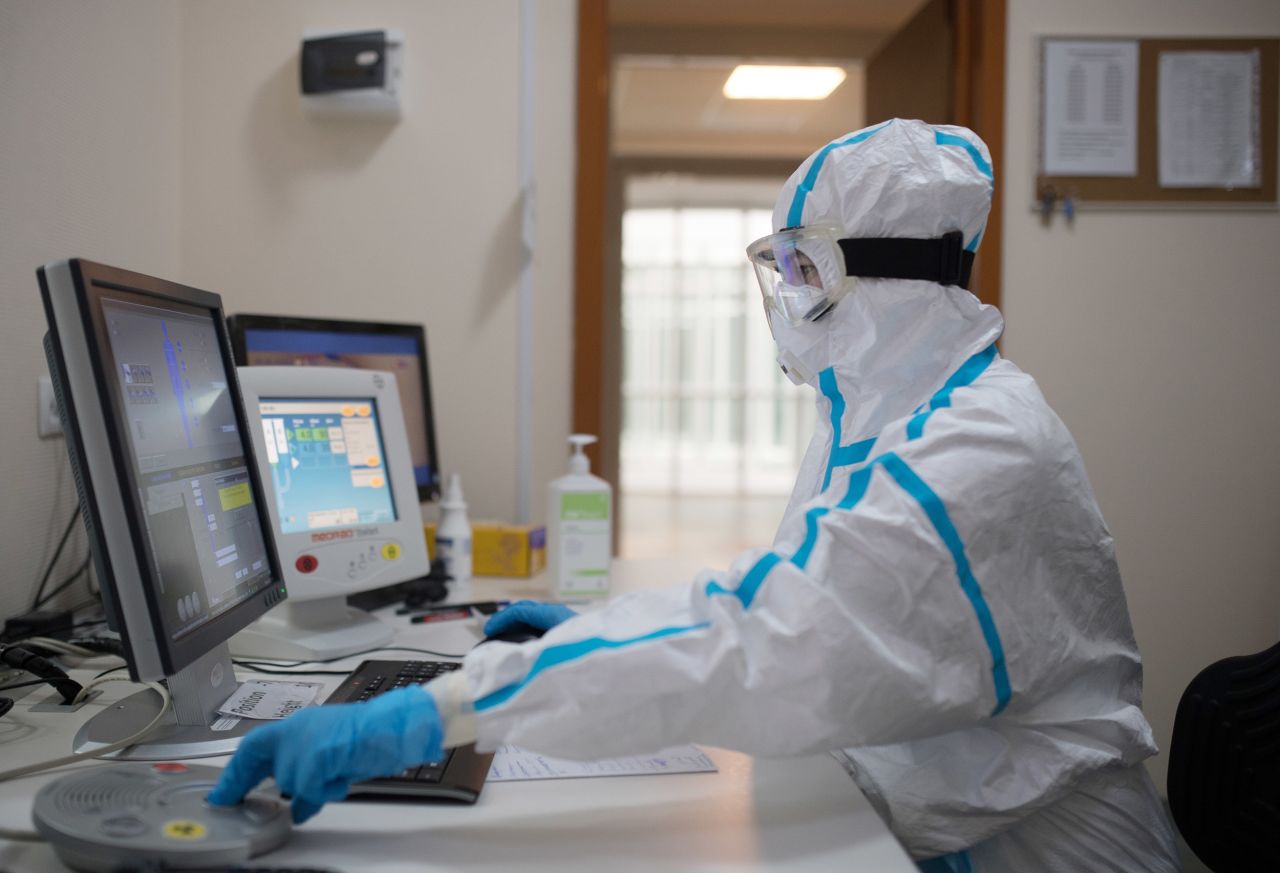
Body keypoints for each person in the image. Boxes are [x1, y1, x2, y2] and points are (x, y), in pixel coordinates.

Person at [211, 119, 1181, 873]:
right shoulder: (896, 415)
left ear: (868, 276)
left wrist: (433, 713)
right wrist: (590, 633)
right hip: (924, 818)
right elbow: (791, 595)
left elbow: (756, 644)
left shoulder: (974, 452)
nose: (787, 299)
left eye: (799, 267)